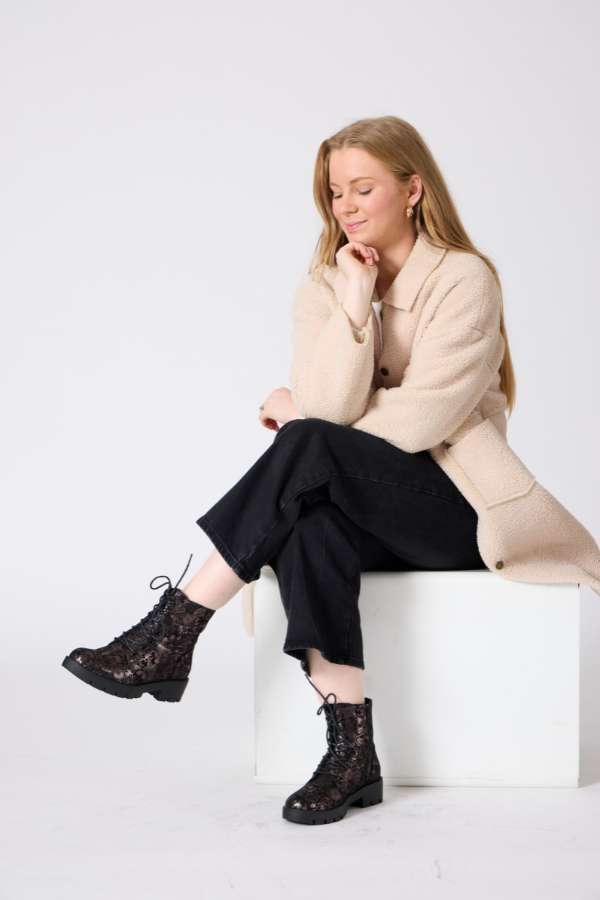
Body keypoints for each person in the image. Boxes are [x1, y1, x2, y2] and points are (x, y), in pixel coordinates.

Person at [62, 115, 600, 827]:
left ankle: (177, 628)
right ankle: (351, 755)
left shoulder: (463, 279)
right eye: (335, 191)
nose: (346, 206)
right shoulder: (326, 282)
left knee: (309, 445)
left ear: (412, 189)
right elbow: (329, 406)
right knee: (311, 521)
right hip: (365, 506)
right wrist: (353, 300)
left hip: (455, 510)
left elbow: (418, 424)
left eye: (362, 188)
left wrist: (300, 423)